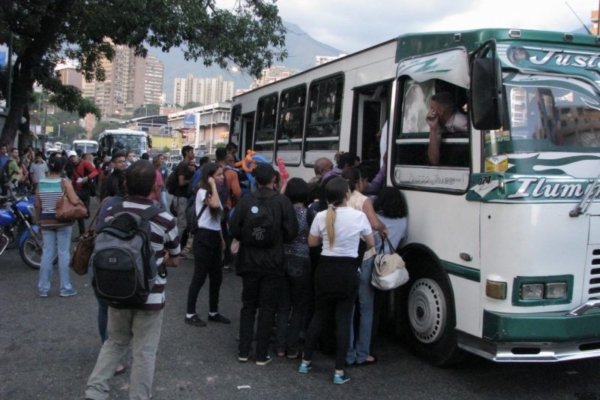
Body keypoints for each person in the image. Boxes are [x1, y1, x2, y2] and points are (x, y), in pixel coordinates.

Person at [85, 160, 180, 400]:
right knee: (144, 353)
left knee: (115, 342)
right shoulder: (165, 220)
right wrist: (164, 256)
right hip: (150, 295)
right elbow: (175, 259)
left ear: (126, 184)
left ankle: (95, 391)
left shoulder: (111, 212)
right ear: (154, 186)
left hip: (117, 290)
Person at [299, 177, 374, 384]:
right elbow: (370, 243)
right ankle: (339, 372)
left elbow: (312, 243)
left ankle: (305, 362)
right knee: (343, 320)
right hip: (348, 271)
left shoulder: (321, 216)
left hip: (324, 270)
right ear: (347, 195)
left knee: (319, 315)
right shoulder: (359, 217)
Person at [229, 163, 299, 365]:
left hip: (249, 260)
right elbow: (291, 231)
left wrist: (251, 237)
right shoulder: (282, 202)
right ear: (274, 180)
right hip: (273, 261)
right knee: (268, 307)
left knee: (248, 305)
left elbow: (234, 228)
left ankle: (243, 350)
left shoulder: (245, 201)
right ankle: (261, 354)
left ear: (255, 180)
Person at [341, 167, 387, 367]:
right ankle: (363, 353)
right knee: (366, 307)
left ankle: (348, 354)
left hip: (345, 257)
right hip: (365, 257)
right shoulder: (363, 200)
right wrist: (383, 228)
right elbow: (375, 223)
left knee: (348, 308)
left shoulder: (338, 198)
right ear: (359, 182)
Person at [185, 162, 231, 327]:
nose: (222, 177)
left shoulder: (214, 192)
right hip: (203, 237)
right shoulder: (203, 192)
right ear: (210, 176)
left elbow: (217, 218)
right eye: (219, 174)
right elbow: (212, 205)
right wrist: (211, 184)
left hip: (214, 237)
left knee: (216, 277)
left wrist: (221, 238)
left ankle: (213, 311)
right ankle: (190, 313)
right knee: (199, 276)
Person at [275, 178, 312, 359]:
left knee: (283, 305)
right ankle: (292, 348)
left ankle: (280, 347)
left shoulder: (283, 212)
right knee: (299, 306)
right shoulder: (309, 213)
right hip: (301, 260)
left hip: (282, 258)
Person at [36, 155, 79, 298]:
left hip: (46, 221)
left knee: (47, 253)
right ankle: (65, 287)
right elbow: (74, 200)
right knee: (63, 253)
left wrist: (39, 222)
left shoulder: (41, 183)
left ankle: (43, 288)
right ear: (62, 168)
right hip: (63, 221)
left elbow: (37, 205)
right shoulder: (64, 183)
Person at [426, 92, 468, 165]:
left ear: (440, 111)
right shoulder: (437, 124)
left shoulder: (462, 122)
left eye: (432, 108)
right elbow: (433, 160)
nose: (429, 112)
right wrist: (433, 129)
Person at [68, 150, 98, 241]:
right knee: (79, 212)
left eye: (74, 156)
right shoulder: (72, 166)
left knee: (81, 212)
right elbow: (73, 178)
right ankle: (82, 232)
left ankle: (85, 232)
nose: (73, 158)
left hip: (85, 190)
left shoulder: (84, 163)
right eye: (71, 157)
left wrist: (87, 178)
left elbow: (95, 172)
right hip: (77, 190)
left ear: (77, 156)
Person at [173, 145, 196, 244]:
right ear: (186, 153)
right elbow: (181, 182)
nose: (193, 153)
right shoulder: (182, 165)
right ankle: (175, 246)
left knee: (183, 223)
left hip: (183, 197)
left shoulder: (186, 166)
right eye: (191, 151)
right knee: (182, 224)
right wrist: (191, 180)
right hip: (180, 197)